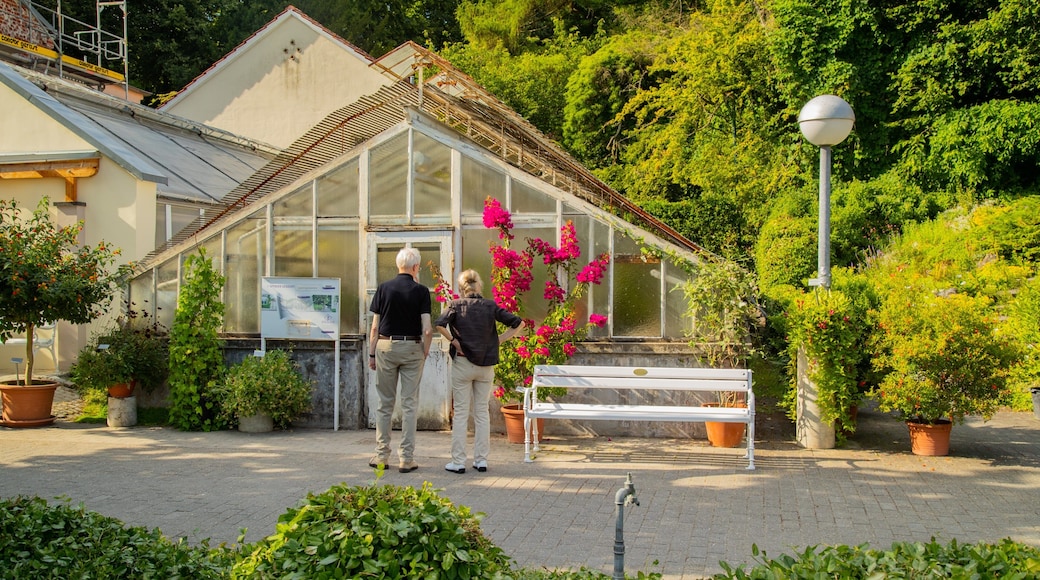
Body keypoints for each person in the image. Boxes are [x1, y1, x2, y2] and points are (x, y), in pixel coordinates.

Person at [434, 269, 525, 474]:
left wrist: (454, 341)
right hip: (485, 366)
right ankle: (481, 460)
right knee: (482, 412)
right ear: (479, 286)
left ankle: (458, 462)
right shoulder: (490, 306)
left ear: (461, 288)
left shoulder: (455, 305)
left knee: (460, 414)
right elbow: (518, 323)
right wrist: (497, 341)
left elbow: (439, 324)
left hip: (463, 364)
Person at [368, 247, 433, 473]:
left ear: (398, 265)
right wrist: (424, 351)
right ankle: (406, 458)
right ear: (415, 267)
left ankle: (381, 455)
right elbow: (427, 329)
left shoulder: (383, 288)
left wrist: (371, 353)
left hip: (386, 346)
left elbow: (375, 326)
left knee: (385, 403)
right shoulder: (422, 291)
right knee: (409, 404)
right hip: (412, 347)